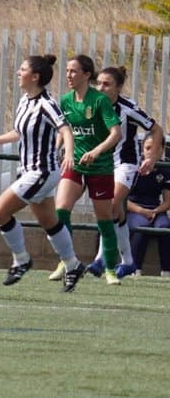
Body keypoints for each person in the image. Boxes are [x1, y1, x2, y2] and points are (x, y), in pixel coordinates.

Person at [0, 55, 85, 291]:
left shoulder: (47, 104)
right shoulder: (25, 101)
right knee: (49, 222)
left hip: (42, 172)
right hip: (29, 170)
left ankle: (22, 259)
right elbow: (19, 132)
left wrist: (70, 155)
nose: (18, 72)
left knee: (0, 212)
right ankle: (73, 264)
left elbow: (65, 129)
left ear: (35, 77)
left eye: (22, 69)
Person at [45, 55, 123, 284]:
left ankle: (110, 269)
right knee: (61, 211)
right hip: (75, 164)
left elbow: (116, 133)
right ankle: (66, 261)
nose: (68, 75)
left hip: (100, 167)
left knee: (104, 219)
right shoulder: (66, 100)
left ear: (87, 75)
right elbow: (63, 130)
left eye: (73, 71)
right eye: (67, 71)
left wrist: (97, 151)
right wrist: (58, 149)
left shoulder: (100, 101)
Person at [95, 65, 162, 278]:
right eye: (99, 83)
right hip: (102, 164)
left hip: (126, 164)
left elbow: (156, 128)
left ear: (119, 87)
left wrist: (150, 158)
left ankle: (101, 258)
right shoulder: (93, 104)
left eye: (107, 84)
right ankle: (129, 262)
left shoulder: (128, 108)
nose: (101, 88)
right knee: (116, 212)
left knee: (112, 205)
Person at [124, 160, 170, 276]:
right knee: (142, 227)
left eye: (156, 148)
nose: (151, 152)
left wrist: (155, 211)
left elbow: (167, 202)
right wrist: (142, 211)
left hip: (156, 210)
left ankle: (166, 272)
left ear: (162, 149)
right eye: (148, 148)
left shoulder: (164, 169)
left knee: (165, 227)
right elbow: (122, 200)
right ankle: (135, 269)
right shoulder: (133, 168)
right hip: (134, 210)